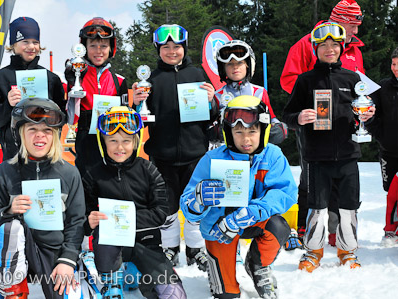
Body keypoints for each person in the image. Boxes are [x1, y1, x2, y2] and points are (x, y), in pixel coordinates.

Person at [180, 95, 297, 299]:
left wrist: (250, 213)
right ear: (228, 132)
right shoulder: (212, 158)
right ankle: (220, 274)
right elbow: (187, 203)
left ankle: (257, 265)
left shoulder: (273, 155)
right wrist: (198, 200)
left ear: (263, 130)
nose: (246, 139)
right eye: (238, 131)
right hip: (219, 228)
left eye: (252, 131)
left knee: (279, 226)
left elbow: (285, 193)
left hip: (255, 221)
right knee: (226, 294)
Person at [282, 22, 375, 272]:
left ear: (342, 48)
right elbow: (287, 113)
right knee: (318, 208)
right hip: (317, 157)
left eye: (335, 45)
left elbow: (364, 111)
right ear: (316, 49)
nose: (330, 49)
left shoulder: (353, 78)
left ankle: (348, 251)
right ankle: (313, 252)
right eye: (324, 45)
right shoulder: (305, 80)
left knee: (348, 208)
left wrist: (368, 116)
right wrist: (298, 118)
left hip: (348, 155)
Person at [132, 24, 219, 271]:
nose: (172, 51)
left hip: (195, 155)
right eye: (166, 47)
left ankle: (195, 249)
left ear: (184, 48)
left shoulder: (197, 74)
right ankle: (169, 249)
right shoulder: (151, 80)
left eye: (177, 47)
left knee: (195, 204)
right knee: (167, 208)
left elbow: (211, 117)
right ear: (158, 49)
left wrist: (212, 101)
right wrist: (137, 103)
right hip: (163, 155)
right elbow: (139, 120)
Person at [0, 98, 85, 298]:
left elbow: (76, 222)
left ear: (55, 135)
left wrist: (68, 260)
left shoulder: (70, 173)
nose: (40, 135)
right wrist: (9, 210)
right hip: (19, 249)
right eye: (32, 129)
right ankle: (11, 282)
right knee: (12, 228)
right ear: (20, 134)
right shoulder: (5, 171)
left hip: (55, 250)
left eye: (47, 130)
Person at [81, 106, 187, 298]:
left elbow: (161, 212)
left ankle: (138, 272)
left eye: (126, 141)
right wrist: (89, 221)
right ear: (103, 142)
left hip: (146, 244)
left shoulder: (149, 171)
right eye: (113, 140)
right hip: (110, 247)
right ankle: (111, 279)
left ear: (136, 141)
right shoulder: (93, 175)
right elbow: (83, 213)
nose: (119, 147)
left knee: (174, 295)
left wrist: (126, 219)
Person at [0, 17, 66, 161]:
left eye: (35, 42)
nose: (31, 46)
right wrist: (8, 105)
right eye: (25, 41)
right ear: (13, 44)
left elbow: (63, 117)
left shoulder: (51, 79)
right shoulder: (0, 78)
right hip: (14, 157)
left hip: (47, 157)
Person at [64, 17, 128, 176]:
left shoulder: (119, 81)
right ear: (84, 47)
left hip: (113, 144)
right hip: (86, 143)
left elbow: (127, 118)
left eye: (103, 46)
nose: (98, 51)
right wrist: (72, 81)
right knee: (87, 190)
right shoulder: (77, 75)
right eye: (92, 45)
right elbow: (71, 116)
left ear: (111, 48)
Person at [212, 40, 288, 147]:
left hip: (255, 148)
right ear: (223, 69)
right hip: (228, 150)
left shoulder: (259, 92)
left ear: (248, 65)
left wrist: (279, 128)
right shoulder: (217, 95)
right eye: (229, 64)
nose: (235, 67)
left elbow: (272, 118)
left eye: (240, 62)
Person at [365, 47, 398, 246]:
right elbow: (369, 114)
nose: (395, 69)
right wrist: (380, 135)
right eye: (393, 64)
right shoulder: (382, 87)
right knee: (392, 193)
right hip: (389, 152)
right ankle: (390, 231)